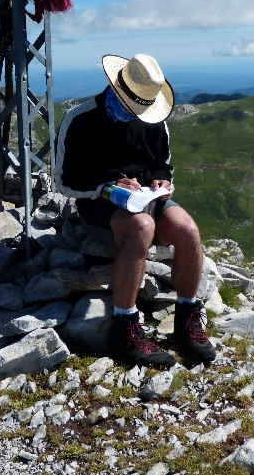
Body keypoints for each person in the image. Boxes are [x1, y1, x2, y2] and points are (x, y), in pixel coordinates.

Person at [55, 53, 216, 367]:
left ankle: (186, 317)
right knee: (141, 228)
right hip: (99, 205)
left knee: (188, 230)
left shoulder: (152, 120)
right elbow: (64, 181)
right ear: (119, 89)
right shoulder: (80, 119)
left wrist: (160, 182)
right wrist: (109, 188)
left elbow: (162, 164)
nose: (142, 113)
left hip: (146, 199)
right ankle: (124, 330)